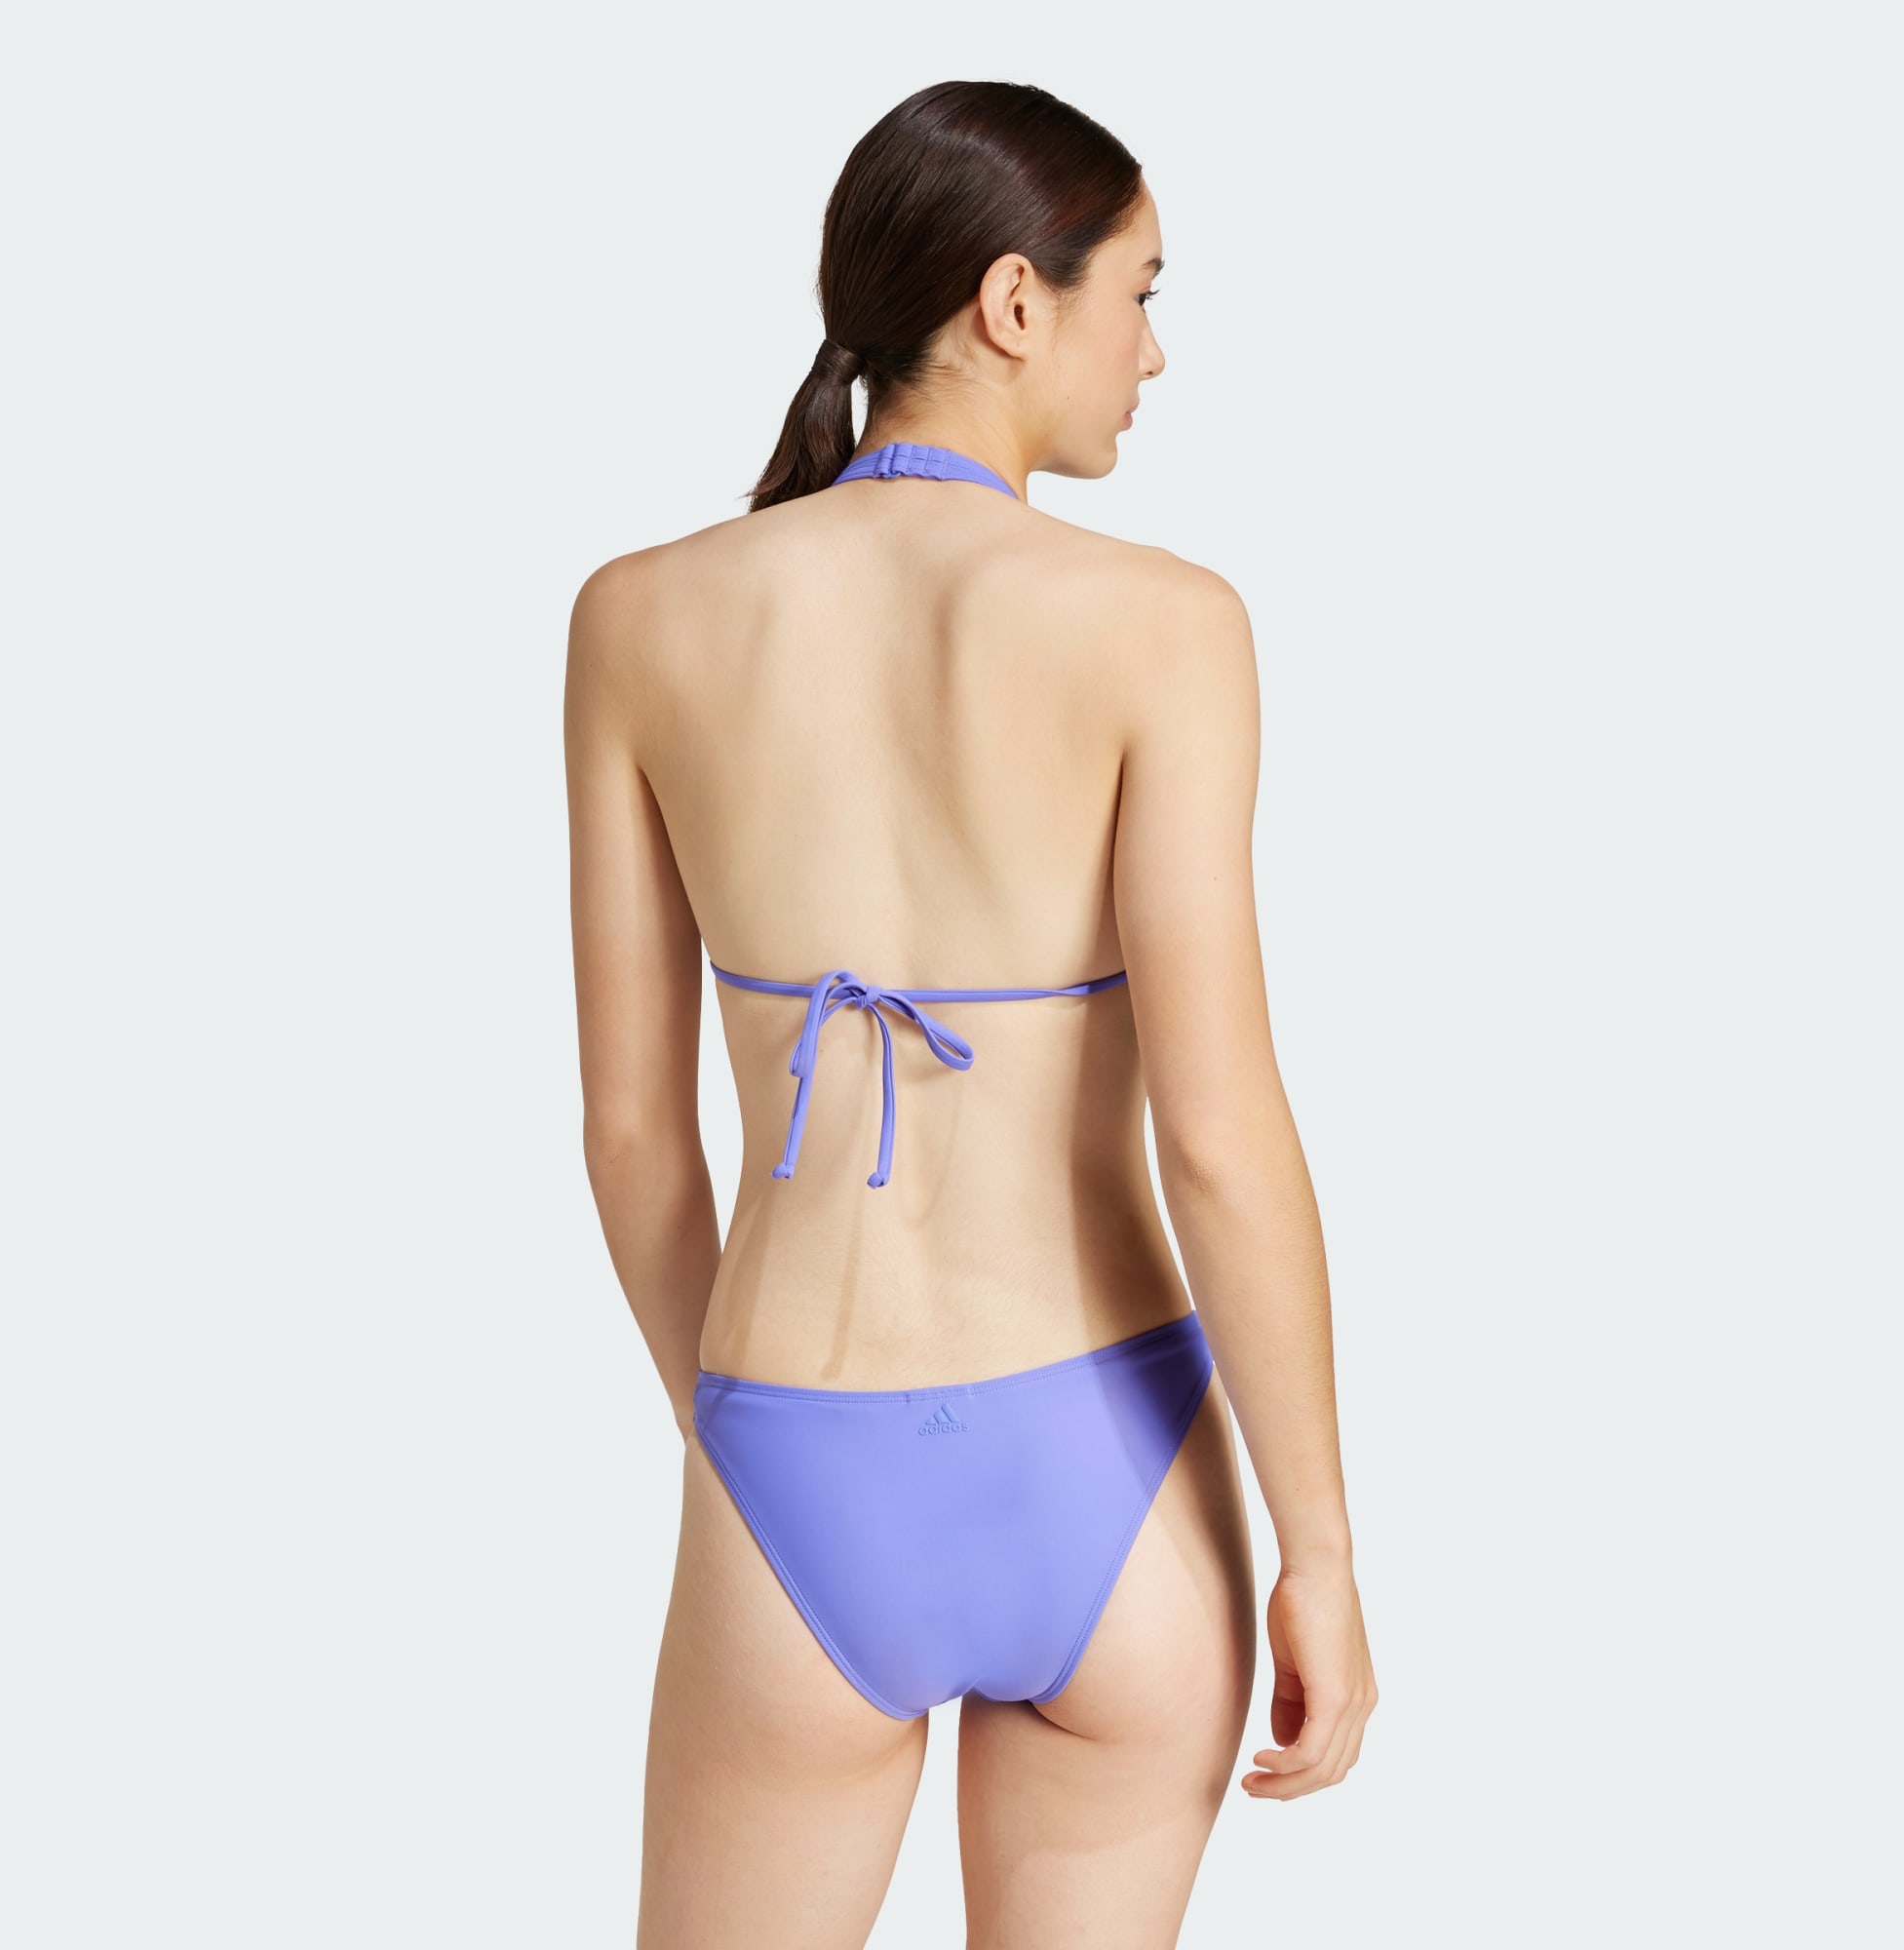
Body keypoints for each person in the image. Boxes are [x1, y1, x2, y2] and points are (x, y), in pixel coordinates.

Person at [564, 77, 1376, 1950]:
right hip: (1112, 1469)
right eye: (1140, 295)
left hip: (796, 1450)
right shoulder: (1166, 624)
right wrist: (1322, 1552)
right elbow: (1221, 1136)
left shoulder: (639, 617)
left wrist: (749, 1448)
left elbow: (631, 1136)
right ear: (1017, 302)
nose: (1153, 353)